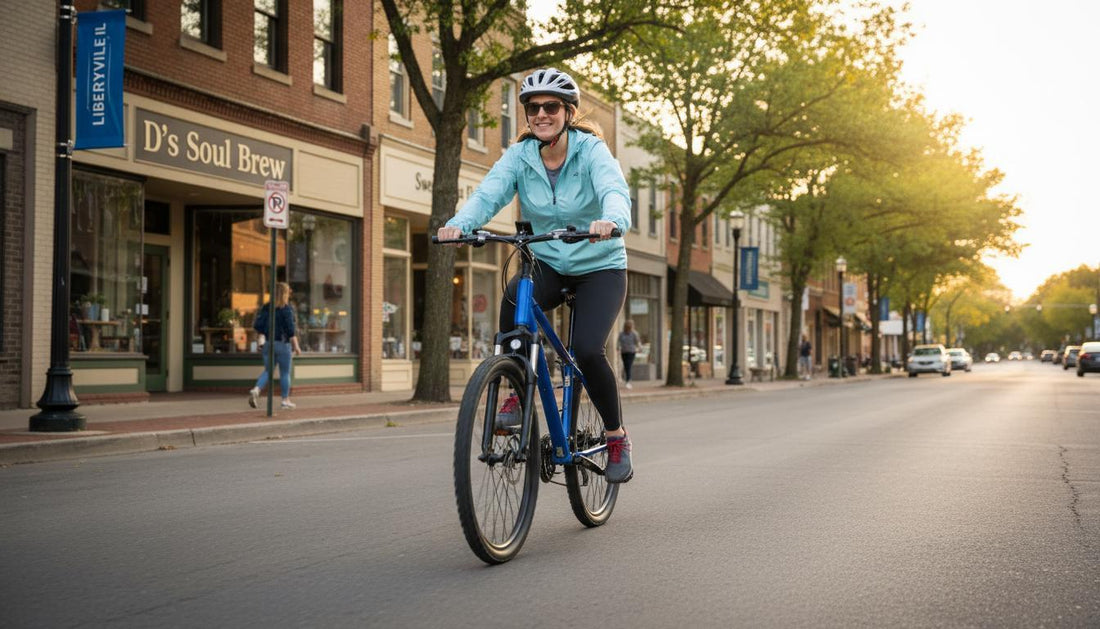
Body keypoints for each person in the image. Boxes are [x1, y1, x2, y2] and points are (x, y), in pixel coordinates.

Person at [436, 68, 634, 483]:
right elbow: (489, 193)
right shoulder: (520, 156)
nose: (541, 114)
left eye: (550, 107)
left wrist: (611, 220)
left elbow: (614, 189)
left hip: (599, 264)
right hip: (548, 261)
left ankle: (615, 436)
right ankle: (515, 394)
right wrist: (459, 224)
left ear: (568, 112)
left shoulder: (591, 150)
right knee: (513, 307)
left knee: (586, 348)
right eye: (533, 108)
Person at [249, 282, 302, 410]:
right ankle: (285, 400)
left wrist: (259, 342)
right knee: (284, 373)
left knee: (268, 371)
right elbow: (290, 330)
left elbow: (259, 327)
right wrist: (296, 346)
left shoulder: (266, 307)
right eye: (288, 292)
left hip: (267, 343)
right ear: (284, 293)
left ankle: (256, 389)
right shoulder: (286, 309)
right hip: (282, 344)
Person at [618, 320, 640, 389]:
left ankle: (628, 381)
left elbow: (637, 341)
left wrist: (639, 348)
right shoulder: (621, 334)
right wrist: (618, 347)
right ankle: (628, 379)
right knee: (626, 365)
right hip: (624, 352)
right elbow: (619, 342)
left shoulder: (634, 333)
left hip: (631, 352)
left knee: (628, 365)